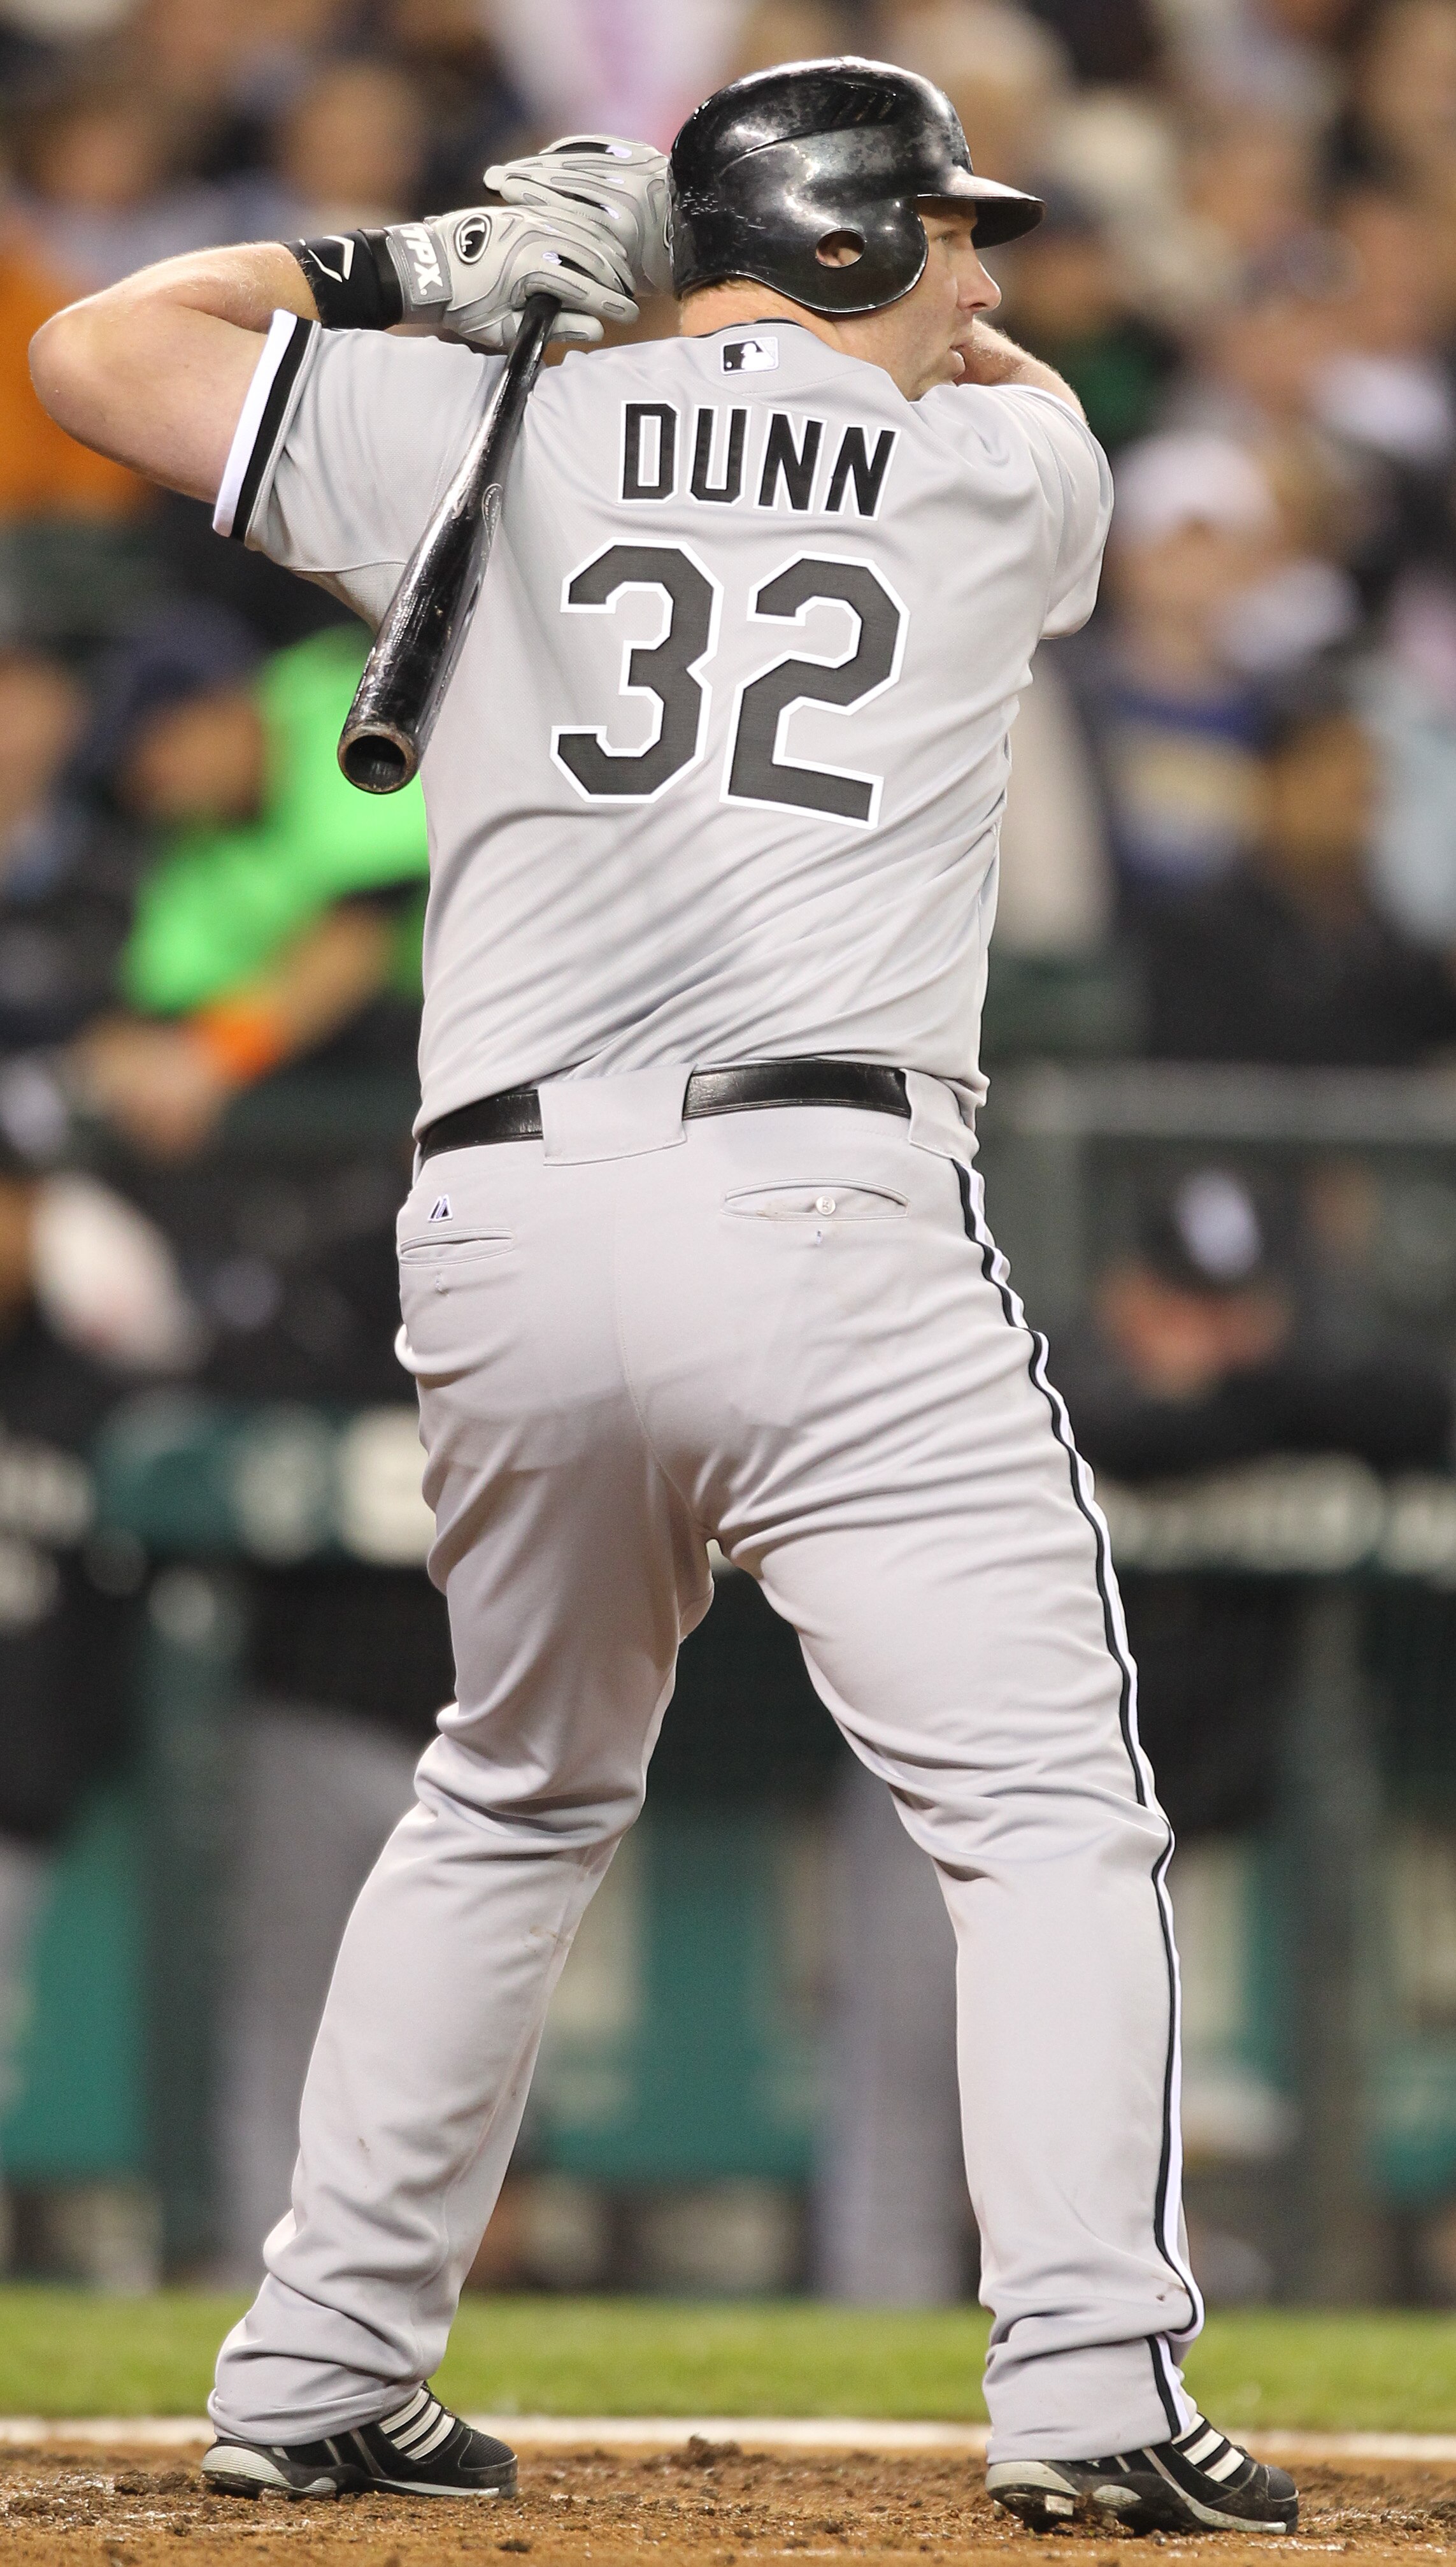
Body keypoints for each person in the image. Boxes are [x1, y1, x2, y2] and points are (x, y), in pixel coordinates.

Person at [33, 55, 1297, 2535]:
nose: (985, 278)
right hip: (828, 1211)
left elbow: (94, 348)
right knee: (1043, 1812)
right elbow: (1010, 393)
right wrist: (695, 310)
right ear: (843, 245)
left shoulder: (477, 431)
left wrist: (422, 276)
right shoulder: (995, 474)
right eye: (945, 233)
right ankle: (1083, 2392)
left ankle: (316, 2361)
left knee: (508, 1782)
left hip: (499, 1223)